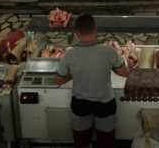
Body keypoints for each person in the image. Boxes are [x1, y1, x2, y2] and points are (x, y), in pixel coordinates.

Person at [54, 13, 129, 148]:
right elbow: (125, 73)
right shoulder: (109, 51)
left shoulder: (69, 54)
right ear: (95, 29)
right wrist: (110, 67)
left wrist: (73, 74)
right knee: (106, 141)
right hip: (105, 104)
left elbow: (58, 80)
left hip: (80, 104)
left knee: (81, 141)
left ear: (76, 33)